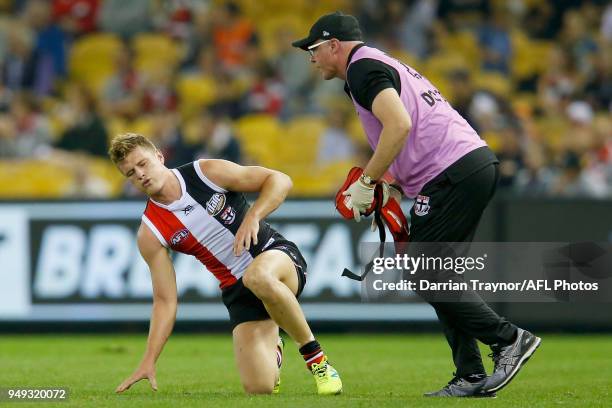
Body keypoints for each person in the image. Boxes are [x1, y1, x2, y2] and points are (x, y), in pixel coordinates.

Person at [293, 11, 541, 398]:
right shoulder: (375, 63)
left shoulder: (362, 68)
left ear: (334, 45)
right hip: (464, 166)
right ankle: (471, 374)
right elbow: (407, 130)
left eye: (314, 48)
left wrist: (368, 180)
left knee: (425, 272)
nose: (311, 57)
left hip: (452, 172)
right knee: (437, 274)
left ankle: (509, 339)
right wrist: (392, 183)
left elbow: (400, 125)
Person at [109, 133, 342, 396]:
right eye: (130, 173)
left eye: (143, 163)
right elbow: (165, 301)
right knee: (259, 388)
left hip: (276, 257)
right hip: (238, 291)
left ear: (160, 156)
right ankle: (274, 345)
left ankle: (317, 361)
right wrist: (149, 360)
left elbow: (279, 180)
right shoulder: (150, 232)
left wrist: (254, 215)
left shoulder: (205, 172)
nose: (140, 174)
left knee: (257, 276)